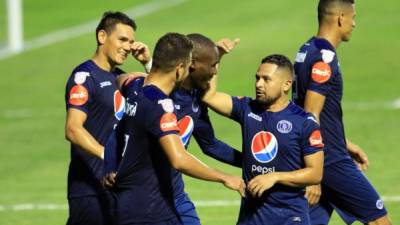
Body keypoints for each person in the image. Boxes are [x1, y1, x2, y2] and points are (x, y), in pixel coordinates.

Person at [103, 33, 243, 225]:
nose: (215, 72)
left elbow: (210, 145)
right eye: (212, 65)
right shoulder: (160, 101)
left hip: (172, 193)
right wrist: (225, 178)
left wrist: (250, 161)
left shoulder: (192, 99)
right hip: (145, 200)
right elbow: (178, 159)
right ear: (188, 65)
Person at [292, 0, 391, 224]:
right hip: (328, 160)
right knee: (379, 220)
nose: (354, 24)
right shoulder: (324, 58)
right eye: (353, 17)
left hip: (323, 151)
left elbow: (314, 113)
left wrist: (345, 142)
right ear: (340, 18)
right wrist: (313, 172)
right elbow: (310, 114)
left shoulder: (307, 49)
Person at [202, 54, 324, 225]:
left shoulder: (304, 122)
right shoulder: (247, 109)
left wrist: (274, 177)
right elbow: (209, 97)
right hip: (251, 216)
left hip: (289, 216)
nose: (259, 84)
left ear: (286, 84)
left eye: (267, 79)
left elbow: (315, 173)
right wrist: (217, 56)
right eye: (257, 78)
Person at [64, 11, 151, 225]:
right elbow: (73, 129)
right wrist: (109, 156)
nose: (128, 47)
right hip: (89, 189)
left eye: (131, 41)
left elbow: (158, 98)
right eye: (122, 39)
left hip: (117, 185)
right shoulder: (84, 77)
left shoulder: (120, 78)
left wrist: (147, 64)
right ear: (102, 37)